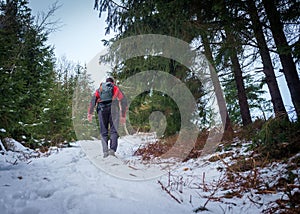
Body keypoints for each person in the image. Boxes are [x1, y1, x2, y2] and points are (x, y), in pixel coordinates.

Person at [87, 77, 127, 158]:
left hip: (101, 110)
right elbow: (123, 101)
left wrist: (90, 113)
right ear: (113, 82)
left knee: (103, 131)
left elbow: (93, 100)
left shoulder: (100, 89)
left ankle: (105, 152)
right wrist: (123, 115)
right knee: (113, 131)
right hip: (114, 109)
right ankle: (112, 151)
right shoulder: (115, 88)